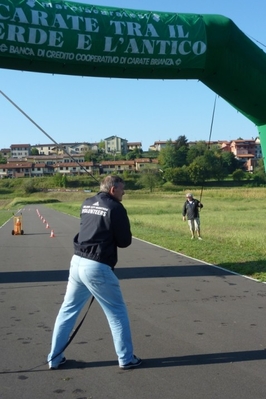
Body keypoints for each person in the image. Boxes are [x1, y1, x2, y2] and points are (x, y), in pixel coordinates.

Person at [47, 175, 142, 370]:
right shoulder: (116, 208)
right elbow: (125, 242)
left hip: (77, 261)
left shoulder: (87, 202)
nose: (124, 192)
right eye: (122, 189)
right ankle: (126, 358)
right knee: (117, 313)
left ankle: (54, 358)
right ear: (113, 189)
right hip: (97, 266)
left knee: (67, 311)